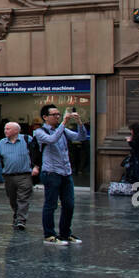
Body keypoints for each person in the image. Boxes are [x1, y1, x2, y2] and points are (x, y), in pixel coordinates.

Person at [35, 105, 86, 245]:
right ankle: (49, 235)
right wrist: (64, 123)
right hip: (51, 172)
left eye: (59, 114)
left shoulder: (62, 130)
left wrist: (79, 122)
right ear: (45, 117)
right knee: (51, 205)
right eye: (54, 114)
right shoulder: (40, 131)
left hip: (65, 172)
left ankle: (65, 233)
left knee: (69, 204)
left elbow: (81, 137)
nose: (57, 116)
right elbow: (52, 140)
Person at [0, 121, 33, 231]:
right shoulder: (2, 142)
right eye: (5, 129)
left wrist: (36, 167)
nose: (5, 131)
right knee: (12, 198)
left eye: (8, 129)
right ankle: (17, 214)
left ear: (17, 130)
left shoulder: (27, 140)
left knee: (23, 198)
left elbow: (36, 153)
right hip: (8, 175)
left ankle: (21, 219)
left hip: (24, 174)